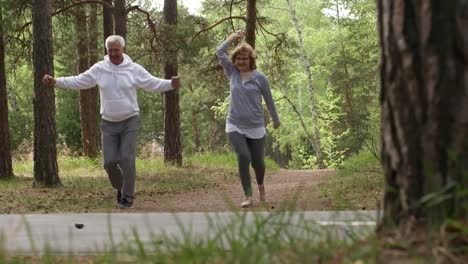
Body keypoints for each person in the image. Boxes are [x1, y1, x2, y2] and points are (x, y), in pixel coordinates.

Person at [42, 35, 181, 209]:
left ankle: (127, 197)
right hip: (108, 122)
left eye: (117, 50)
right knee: (108, 163)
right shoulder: (100, 69)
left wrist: (171, 84)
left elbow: (151, 83)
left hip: (130, 119)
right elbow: (79, 80)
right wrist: (56, 82)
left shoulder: (134, 69)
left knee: (126, 158)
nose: (114, 53)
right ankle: (121, 187)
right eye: (110, 50)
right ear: (107, 50)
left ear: (123, 49)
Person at [216, 31, 280, 208]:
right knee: (243, 156)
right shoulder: (232, 73)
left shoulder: (260, 78)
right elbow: (219, 52)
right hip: (234, 124)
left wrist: (275, 119)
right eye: (238, 59)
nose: (241, 61)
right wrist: (232, 38)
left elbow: (269, 100)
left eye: (245, 58)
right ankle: (248, 195)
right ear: (234, 60)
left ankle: (260, 184)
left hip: (256, 126)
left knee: (258, 162)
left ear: (251, 59)